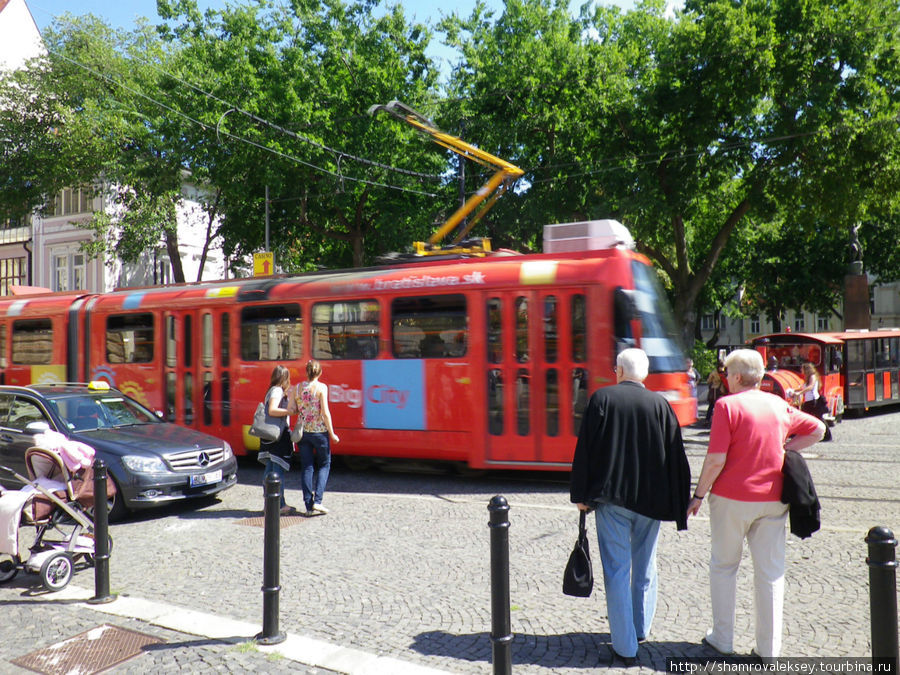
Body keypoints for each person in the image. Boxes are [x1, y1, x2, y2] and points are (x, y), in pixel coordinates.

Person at [687, 349, 825, 659]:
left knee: (723, 566)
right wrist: (786, 447)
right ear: (760, 377)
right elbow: (818, 429)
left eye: (727, 376)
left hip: (731, 500)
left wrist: (698, 496)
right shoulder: (779, 405)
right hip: (773, 500)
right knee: (770, 573)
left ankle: (722, 638)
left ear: (735, 377)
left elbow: (715, 460)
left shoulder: (726, 406)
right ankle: (769, 650)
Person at [570, 348, 692, 665]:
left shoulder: (602, 399)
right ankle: (640, 627)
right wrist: (680, 503)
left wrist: (580, 495)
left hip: (612, 500)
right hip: (651, 502)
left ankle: (624, 647)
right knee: (646, 564)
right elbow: (676, 458)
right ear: (645, 375)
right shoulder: (662, 406)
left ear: (620, 372)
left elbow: (585, 450)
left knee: (616, 570)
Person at [290, 359, 339, 516]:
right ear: (320, 373)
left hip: (303, 433)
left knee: (307, 467)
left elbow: (292, 409)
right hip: (319, 433)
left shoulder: (296, 388)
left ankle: (308, 506)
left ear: (306, 372)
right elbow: (325, 413)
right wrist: (332, 433)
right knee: (324, 464)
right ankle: (318, 501)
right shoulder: (321, 388)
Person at [258, 365, 296, 516]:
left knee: (270, 470)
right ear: (284, 378)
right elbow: (272, 410)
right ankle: (279, 505)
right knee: (277, 470)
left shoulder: (272, 389)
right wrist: (289, 411)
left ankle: (269, 504)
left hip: (271, 436)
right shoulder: (277, 390)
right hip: (277, 437)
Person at [795, 362, 832, 442]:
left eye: (802, 368)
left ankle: (827, 436)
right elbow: (803, 388)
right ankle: (805, 433)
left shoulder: (813, 376)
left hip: (813, 400)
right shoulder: (807, 378)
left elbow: (810, 387)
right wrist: (794, 391)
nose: (801, 370)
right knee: (808, 417)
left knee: (818, 418)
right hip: (808, 401)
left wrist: (800, 393)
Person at [705, 361, 728, 426]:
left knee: (715, 405)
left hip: (718, 390)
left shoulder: (718, 373)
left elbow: (708, 381)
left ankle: (711, 419)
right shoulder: (723, 373)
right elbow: (708, 381)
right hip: (717, 391)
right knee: (713, 405)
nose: (722, 368)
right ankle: (709, 419)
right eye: (721, 367)